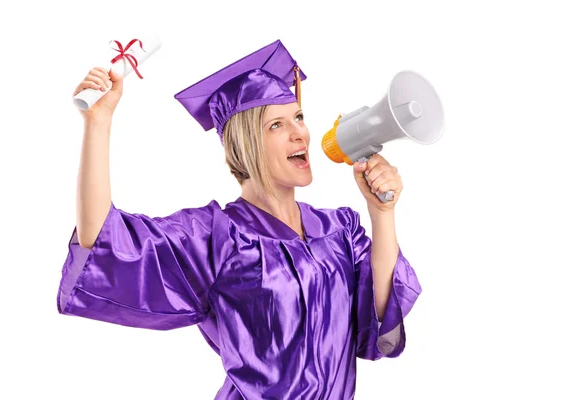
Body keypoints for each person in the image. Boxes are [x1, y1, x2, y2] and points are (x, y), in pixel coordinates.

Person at [58, 39, 422, 400]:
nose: (300, 133)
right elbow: (101, 242)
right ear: (246, 144)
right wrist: (98, 122)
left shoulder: (339, 230)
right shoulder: (217, 237)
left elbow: (378, 316)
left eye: (298, 116)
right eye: (276, 125)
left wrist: (382, 214)